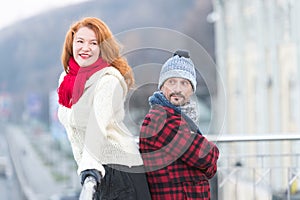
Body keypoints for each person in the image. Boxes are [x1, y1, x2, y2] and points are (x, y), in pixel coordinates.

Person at [57, 17, 151, 200]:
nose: (85, 48)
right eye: (80, 41)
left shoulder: (109, 80)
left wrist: (89, 166)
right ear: (71, 44)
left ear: (102, 48)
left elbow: (97, 125)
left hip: (120, 172)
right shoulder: (67, 80)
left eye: (94, 43)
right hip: (98, 172)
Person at [139, 50, 219, 200]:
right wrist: (211, 152)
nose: (177, 89)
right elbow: (206, 158)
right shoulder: (159, 120)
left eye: (184, 83)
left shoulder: (182, 119)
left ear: (192, 89)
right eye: (171, 82)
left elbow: (210, 170)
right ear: (162, 87)